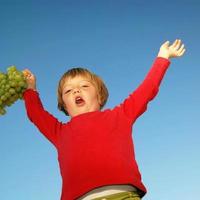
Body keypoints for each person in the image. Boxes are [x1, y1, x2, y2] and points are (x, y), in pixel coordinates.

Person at [22, 39, 186, 200]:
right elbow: (36, 114)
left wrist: (162, 58)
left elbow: (146, 91)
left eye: (84, 86)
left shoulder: (120, 115)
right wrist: (30, 89)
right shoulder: (59, 132)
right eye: (68, 90)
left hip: (124, 195)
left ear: (100, 96)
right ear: (64, 105)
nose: (76, 91)